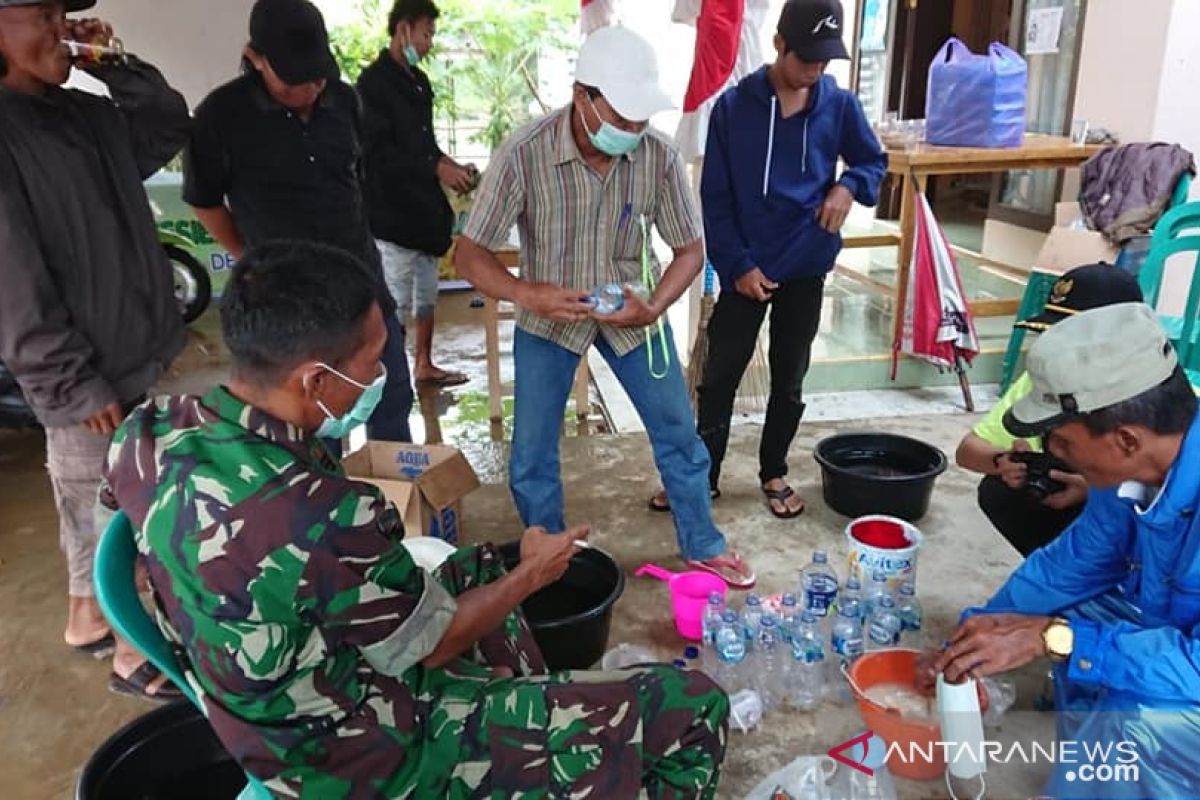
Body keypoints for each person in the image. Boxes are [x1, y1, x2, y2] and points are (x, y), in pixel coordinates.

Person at [98, 240, 730, 798]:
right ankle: (513, 743)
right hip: (358, 759)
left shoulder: (150, 433)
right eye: (372, 361)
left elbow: (130, 549)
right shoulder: (327, 514)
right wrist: (532, 574)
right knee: (691, 704)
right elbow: (436, 644)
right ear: (314, 379)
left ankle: (533, 728)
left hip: (254, 712)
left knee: (474, 570)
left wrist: (506, 561)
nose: (379, 374)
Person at [454, 25, 756, 589]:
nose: (633, 130)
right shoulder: (525, 152)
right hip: (547, 315)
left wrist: (656, 305)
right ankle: (549, 553)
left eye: (641, 119)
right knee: (531, 452)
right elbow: (469, 254)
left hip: (630, 310)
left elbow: (691, 249)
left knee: (678, 433)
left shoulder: (658, 155)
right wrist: (527, 293)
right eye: (622, 118)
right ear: (582, 97)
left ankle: (703, 543)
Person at [923, 303, 1200, 798]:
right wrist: (980, 631)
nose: (1051, 453)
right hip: (1178, 631)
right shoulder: (1132, 472)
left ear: (1126, 438)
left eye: (1061, 440)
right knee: (1068, 618)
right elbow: (1074, 564)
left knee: (1138, 719)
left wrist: (1058, 639)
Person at [0, 0, 189, 700]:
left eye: (61, 13)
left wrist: (109, 62)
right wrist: (73, 385)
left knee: (87, 497)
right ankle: (132, 655)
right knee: (111, 505)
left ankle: (87, 616)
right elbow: (12, 281)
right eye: (39, 15)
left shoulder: (83, 114)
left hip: (124, 350)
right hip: (84, 368)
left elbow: (169, 124)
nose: (58, 28)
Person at [652, 0, 887, 519]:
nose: (815, 71)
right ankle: (702, 477)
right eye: (806, 58)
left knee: (790, 376)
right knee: (718, 378)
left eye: (825, 61)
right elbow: (713, 197)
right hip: (746, 269)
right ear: (779, 44)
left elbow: (874, 161)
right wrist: (736, 265)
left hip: (806, 263)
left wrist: (849, 186)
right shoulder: (733, 109)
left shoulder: (840, 106)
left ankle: (773, 470)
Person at [183, 0, 413, 444]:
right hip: (287, 303)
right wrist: (251, 258)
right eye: (293, 79)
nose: (309, 89)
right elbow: (205, 201)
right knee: (307, 422)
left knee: (389, 396)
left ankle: (395, 503)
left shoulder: (345, 102)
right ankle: (321, 505)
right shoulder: (220, 116)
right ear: (256, 59)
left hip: (361, 281)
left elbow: (357, 180)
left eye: (317, 75)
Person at [955, 263, 1144, 555]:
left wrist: (1094, 492)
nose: (1057, 348)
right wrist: (1004, 462)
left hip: (1140, 526)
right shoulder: (1048, 376)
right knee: (1001, 492)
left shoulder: (1156, 394)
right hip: (1073, 503)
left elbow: (1170, 499)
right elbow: (968, 450)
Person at [359, 0, 473, 387]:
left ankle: (423, 363)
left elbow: (426, 145)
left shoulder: (419, 84)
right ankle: (387, 375)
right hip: (391, 213)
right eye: (427, 34)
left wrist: (451, 166)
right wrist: (434, 167)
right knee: (391, 302)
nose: (428, 43)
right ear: (403, 29)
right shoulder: (371, 85)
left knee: (426, 296)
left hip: (424, 211)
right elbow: (379, 154)